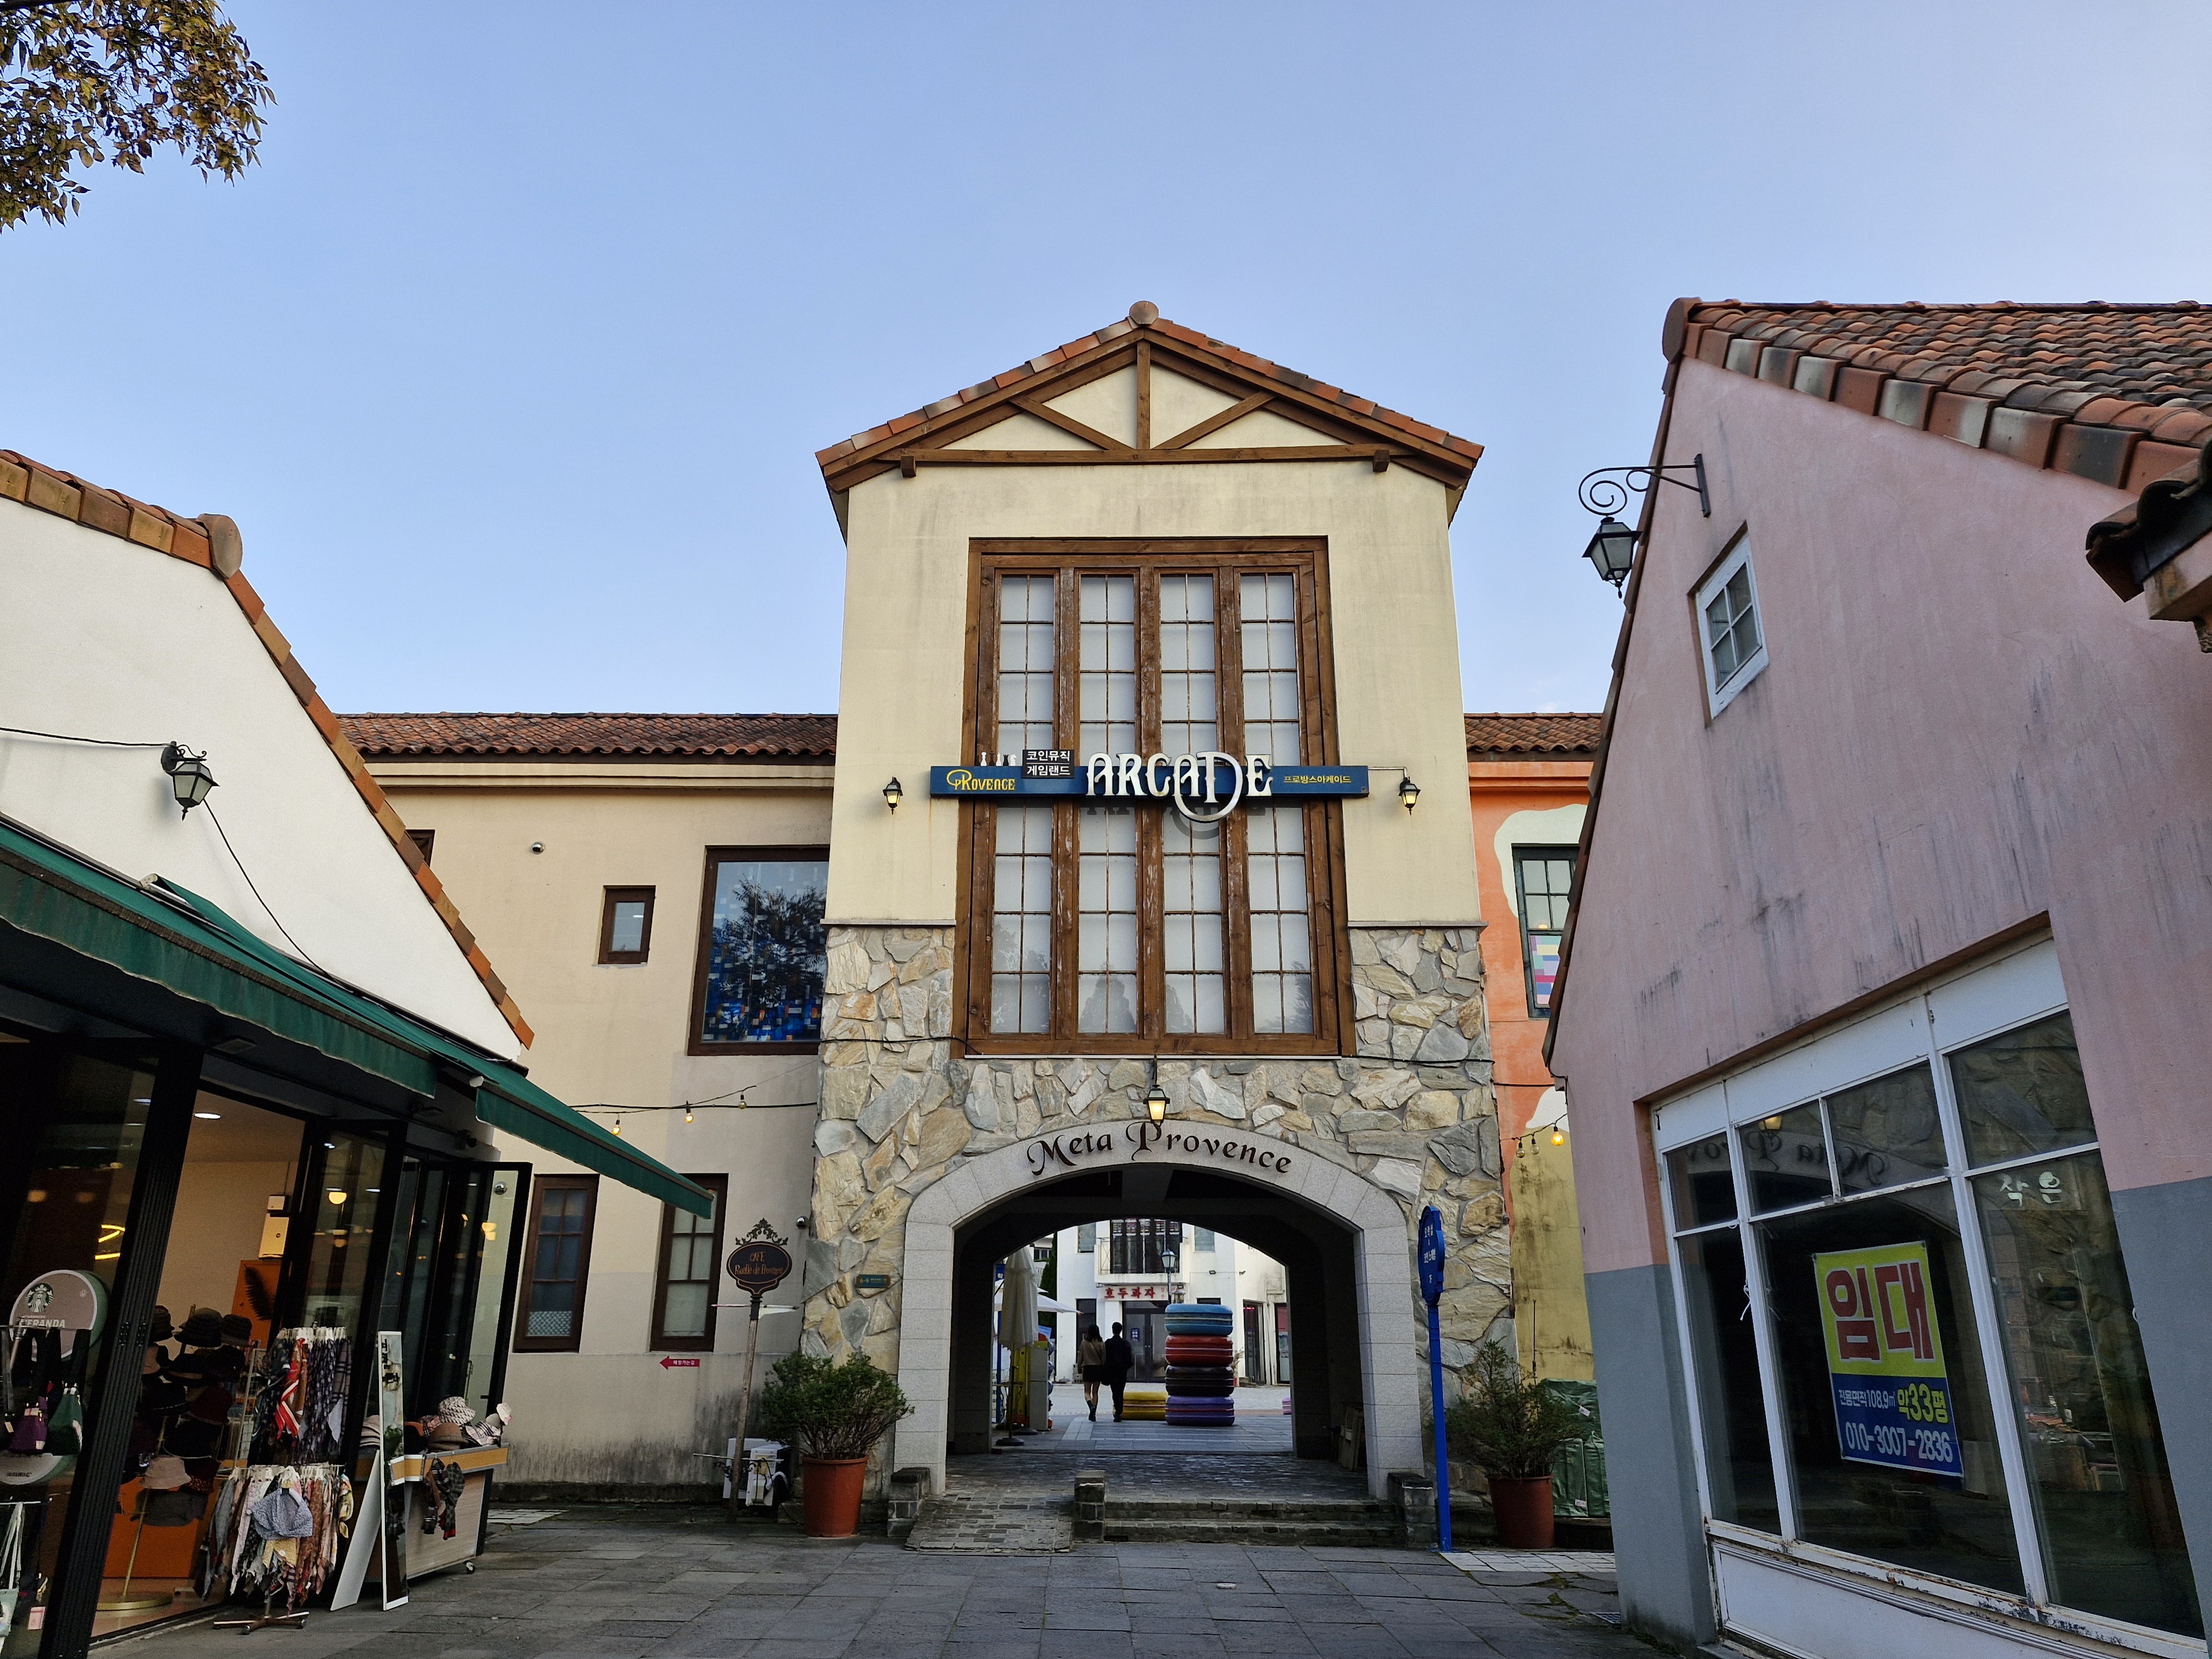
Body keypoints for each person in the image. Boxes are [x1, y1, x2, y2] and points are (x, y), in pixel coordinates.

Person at [1100, 1322, 1135, 1422]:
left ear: (1113, 1330)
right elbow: (1130, 1360)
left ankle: (1118, 1412)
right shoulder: (1126, 1344)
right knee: (1120, 1391)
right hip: (1122, 1372)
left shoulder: (1108, 1343)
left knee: (1115, 1391)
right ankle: (1119, 1411)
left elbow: (1105, 1358)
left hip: (1112, 1371)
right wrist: (1125, 1367)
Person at [1077, 1326, 1107, 1421]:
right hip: (1098, 1369)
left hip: (1087, 1369)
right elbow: (1104, 1358)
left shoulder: (1084, 1343)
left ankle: (1091, 1407)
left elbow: (1080, 1358)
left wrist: (1079, 1369)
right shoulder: (1101, 1343)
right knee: (1095, 1393)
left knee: (1087, 1392)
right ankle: (1093, 1414)